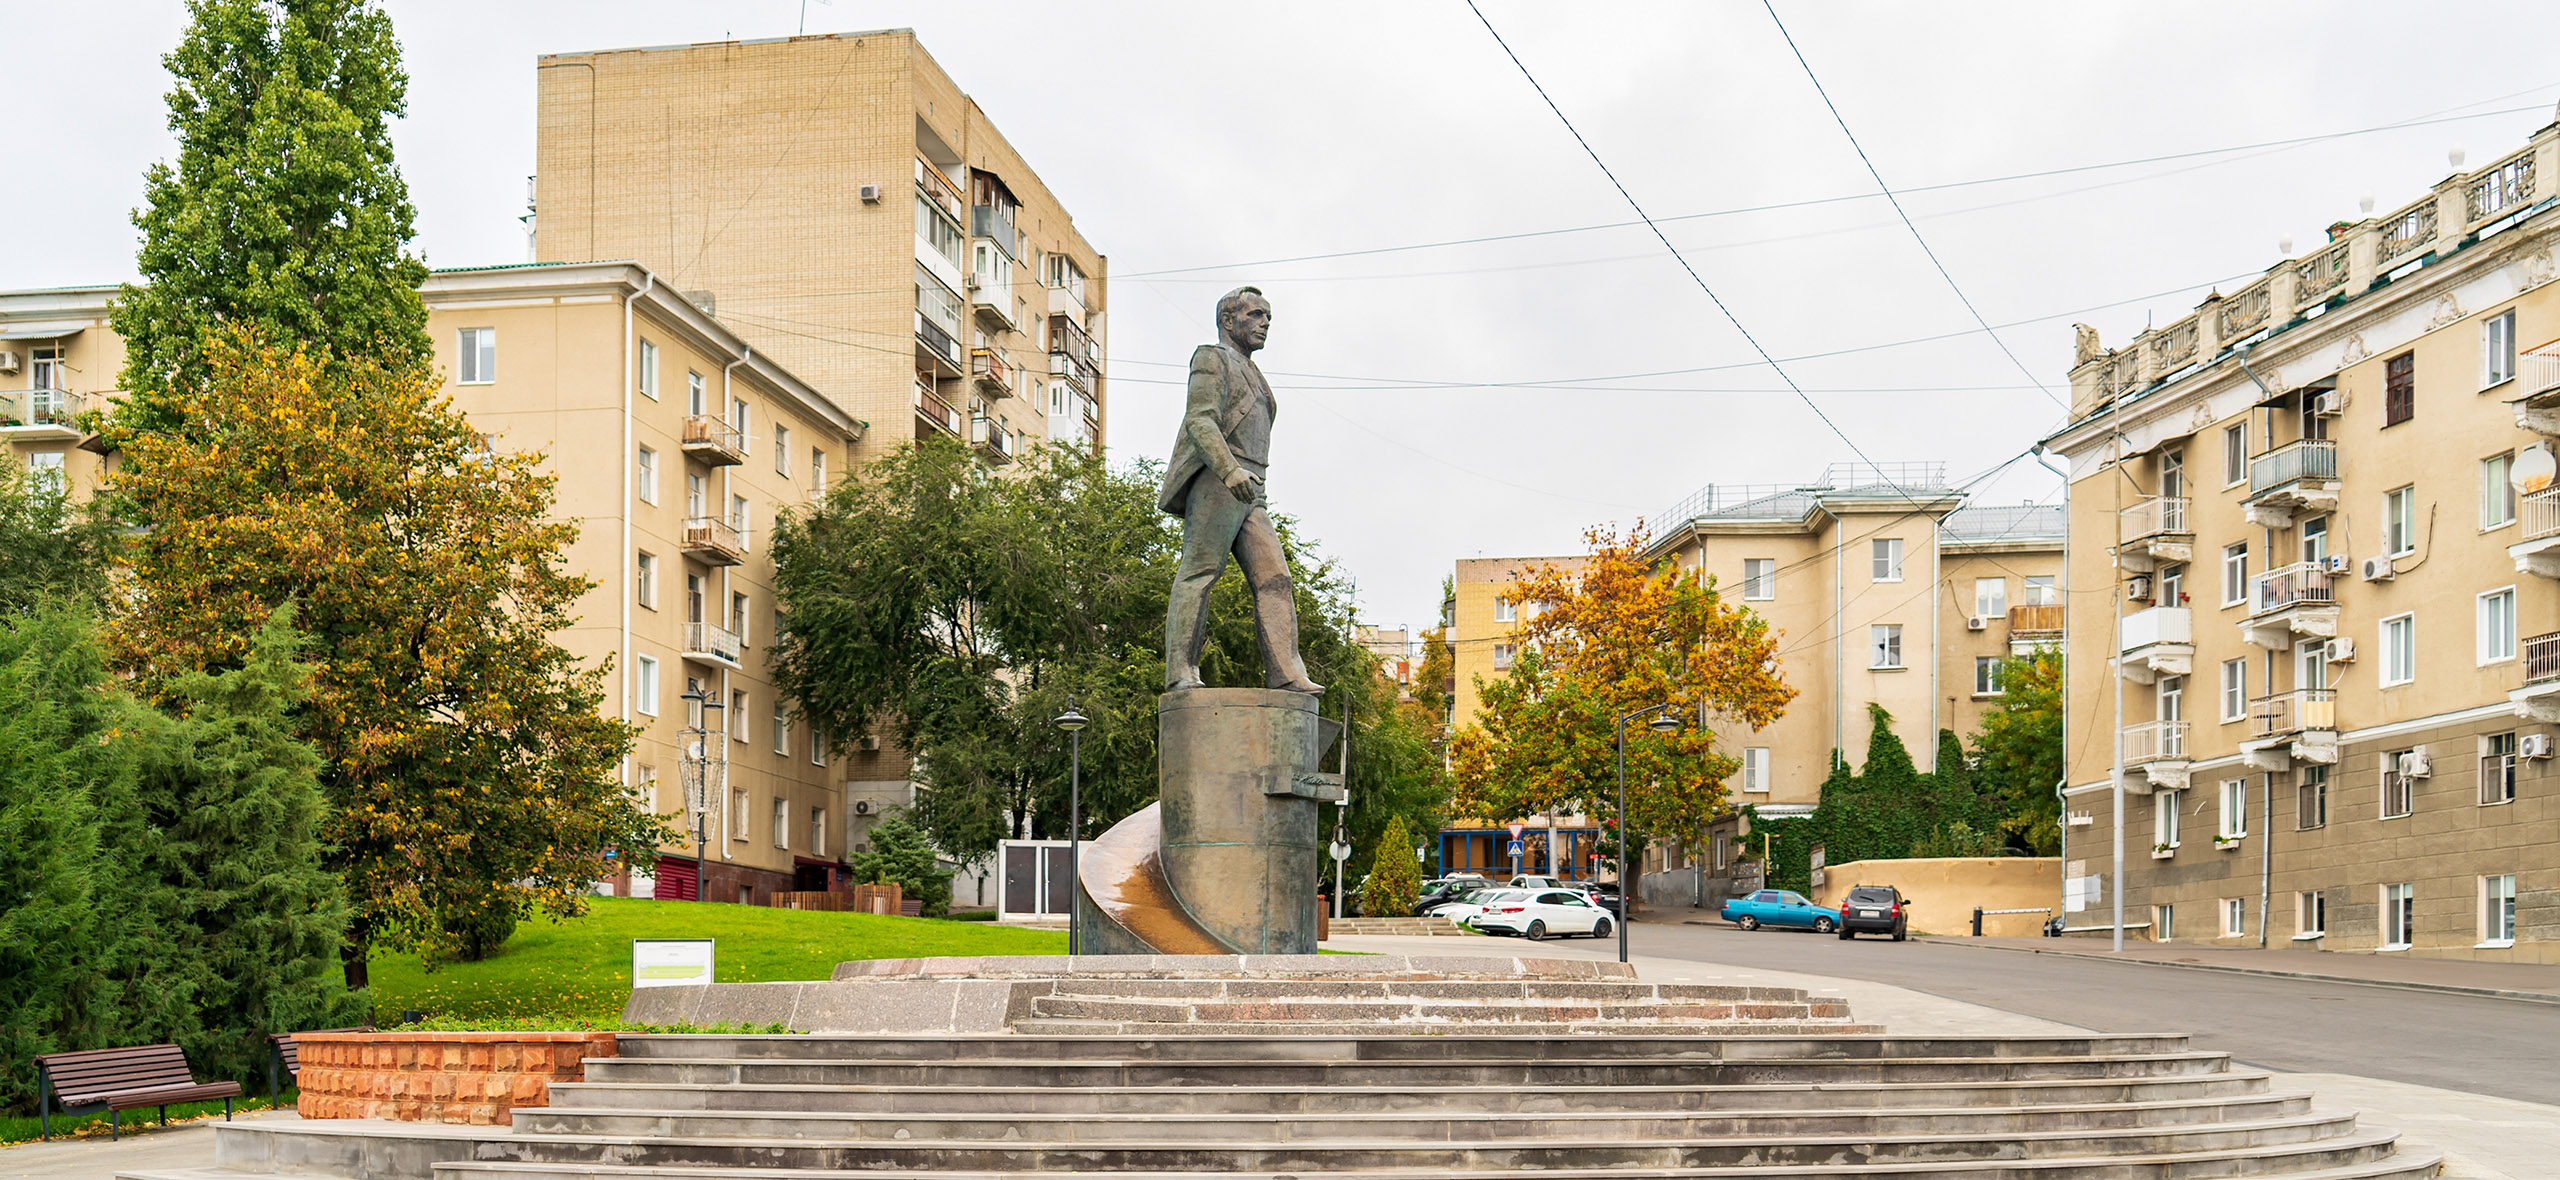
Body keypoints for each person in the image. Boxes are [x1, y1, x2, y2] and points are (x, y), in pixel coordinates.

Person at [1157, 285, 1322, 694]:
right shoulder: (1211, 358)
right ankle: (1181, 672)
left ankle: (1285, 674)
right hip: (1221, 478)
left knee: (1275, 577)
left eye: (1267, 317)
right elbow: (1201, 420)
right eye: (1256, 315)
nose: (1264, 323)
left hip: (1253, 487)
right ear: (1229, 321)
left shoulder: (1254, 372)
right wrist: (1230, 471)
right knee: (1200, 572)